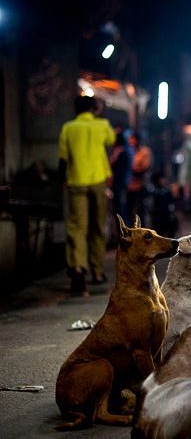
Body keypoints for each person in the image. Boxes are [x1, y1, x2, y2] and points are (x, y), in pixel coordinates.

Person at [58, 95, 116, 295]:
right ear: (94, 108)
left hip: (76, 181)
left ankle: (77, 267)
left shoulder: (68, 128)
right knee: (98, 227)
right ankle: (97, 271)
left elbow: (63, 159)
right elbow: (111, 140)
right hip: (99, 180)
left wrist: (61, 180)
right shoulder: (102, 125)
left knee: (77, 228)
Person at [126, 132, 153, 226]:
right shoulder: (128, 152)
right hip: (129, 187)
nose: (131, 142)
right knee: (129, 211)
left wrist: (133, 169)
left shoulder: (145, 151)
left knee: (141, 211)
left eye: (133, 140)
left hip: (141, 185)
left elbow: (145, 167)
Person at [109, 128, 134, 220]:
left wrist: (114, 157)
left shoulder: (121, 153)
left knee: (120, 209)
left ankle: (123, 230)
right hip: (125, 182)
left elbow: (113, 167)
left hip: (120, 183)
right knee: (122, 208)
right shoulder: (128, 151)